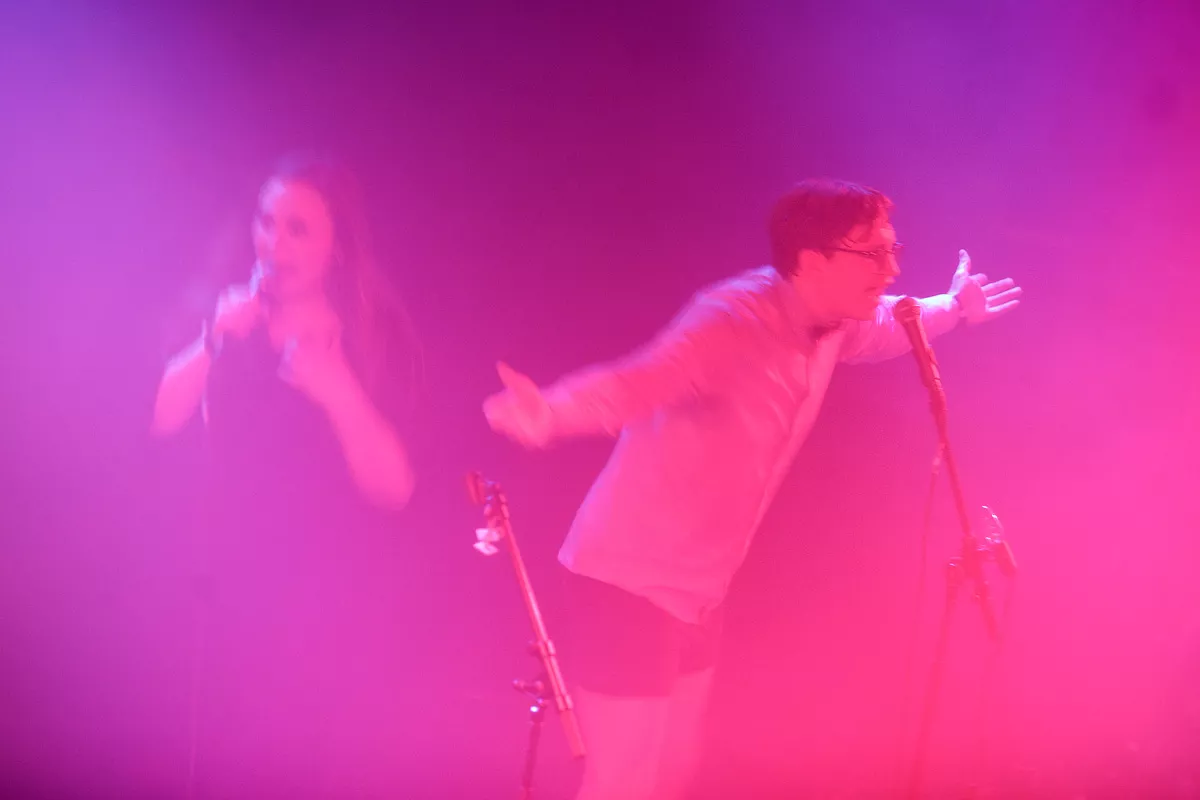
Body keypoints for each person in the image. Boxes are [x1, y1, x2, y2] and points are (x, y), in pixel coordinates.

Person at [483, 178, 1022, 800]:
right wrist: (548, 413)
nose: (892, 267)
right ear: (813, 261)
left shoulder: (834, 320)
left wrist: (955, 307)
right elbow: (637, 384)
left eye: (892, 250)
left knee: (675, 770)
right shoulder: (731, 320)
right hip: (624, 580)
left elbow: (894, 322)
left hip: (698, 589)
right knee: (624, 782)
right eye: (874, 253)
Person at [152, 153, 418, 797]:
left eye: (298, 229)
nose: (275, 242)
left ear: (336, 246)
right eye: (267, 222)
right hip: (229, 595)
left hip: (325, 609)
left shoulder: (371, 333)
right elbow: (162, 418)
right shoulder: (231, 314)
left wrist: (338, 391)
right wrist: (213, 339)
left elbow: (396, 489)